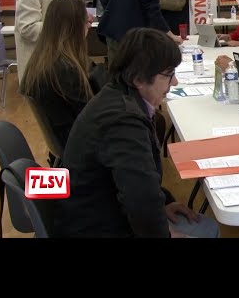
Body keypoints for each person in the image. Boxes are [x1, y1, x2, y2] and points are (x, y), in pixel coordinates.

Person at [54, 28, 220, 238]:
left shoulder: (115, 97)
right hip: (97, 227)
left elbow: (137, 189)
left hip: (94, 213)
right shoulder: (124, 122)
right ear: (139, 78)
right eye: (169, 75)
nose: (174, 82)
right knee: (208, 229)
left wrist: (163, 204)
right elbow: (140, 200)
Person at [19, 0, 101, 153]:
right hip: (80, 150)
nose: (89, 27)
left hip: (66, 143)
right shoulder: (65, 71)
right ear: (73, 28)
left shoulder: (43, 61)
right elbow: (93, 117)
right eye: (86, 22)